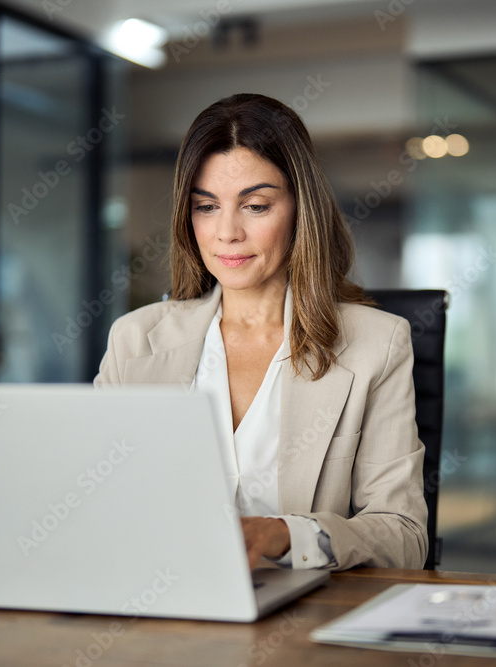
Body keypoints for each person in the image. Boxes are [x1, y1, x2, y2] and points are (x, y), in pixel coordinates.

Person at [94, 93, 426, 571]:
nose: (227, 232)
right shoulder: (134, 340)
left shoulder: (377, 345)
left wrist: (286, 534)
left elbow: (404, 537)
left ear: (299, 209)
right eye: (207, 207)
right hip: (161, 613)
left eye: (255, 205)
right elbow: (93, 505)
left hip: (302, 623)